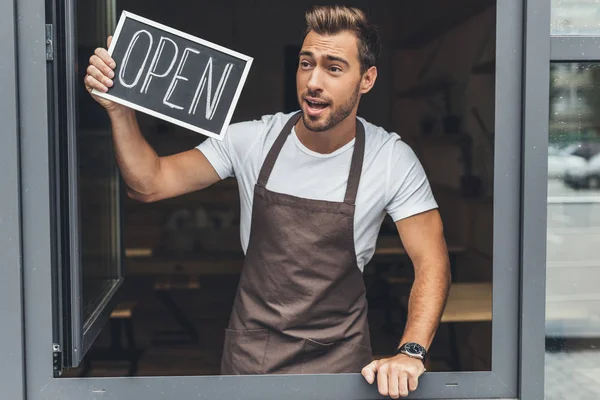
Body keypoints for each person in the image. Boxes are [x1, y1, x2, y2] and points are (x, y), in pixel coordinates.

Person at [84, 4, 450, 399]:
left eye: (334, 67)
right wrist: (120, 110)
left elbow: (432, 261)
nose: (313, 81)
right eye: (306, 63)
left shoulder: (390, 158)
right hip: (252, 354)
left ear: (367, 79)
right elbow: (150, 183)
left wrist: (411, 351)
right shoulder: (252, 140)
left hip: (342, 360)